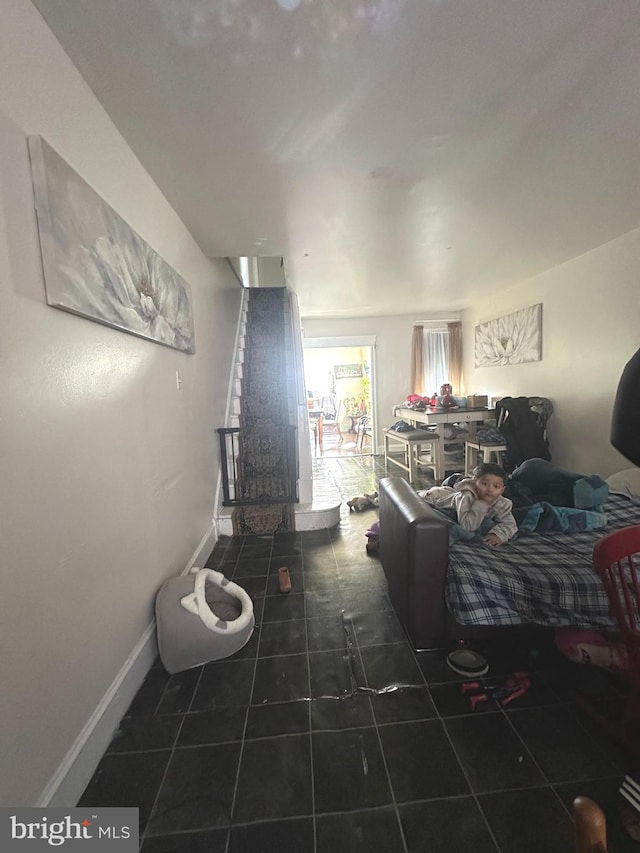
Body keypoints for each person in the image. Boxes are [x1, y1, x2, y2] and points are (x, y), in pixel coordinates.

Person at [418, 462, 517, 546]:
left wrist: (498, 535)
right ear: (475, 482)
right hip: (438, 498)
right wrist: (481, 505)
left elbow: (510, 524)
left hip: (451, 493)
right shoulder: (466, 497)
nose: (490, 490)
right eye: (484, 484)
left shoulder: (502, 504)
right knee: (420, 498)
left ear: (502, 490)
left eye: (496, 486)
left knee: (448, 490)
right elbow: (467, 526)